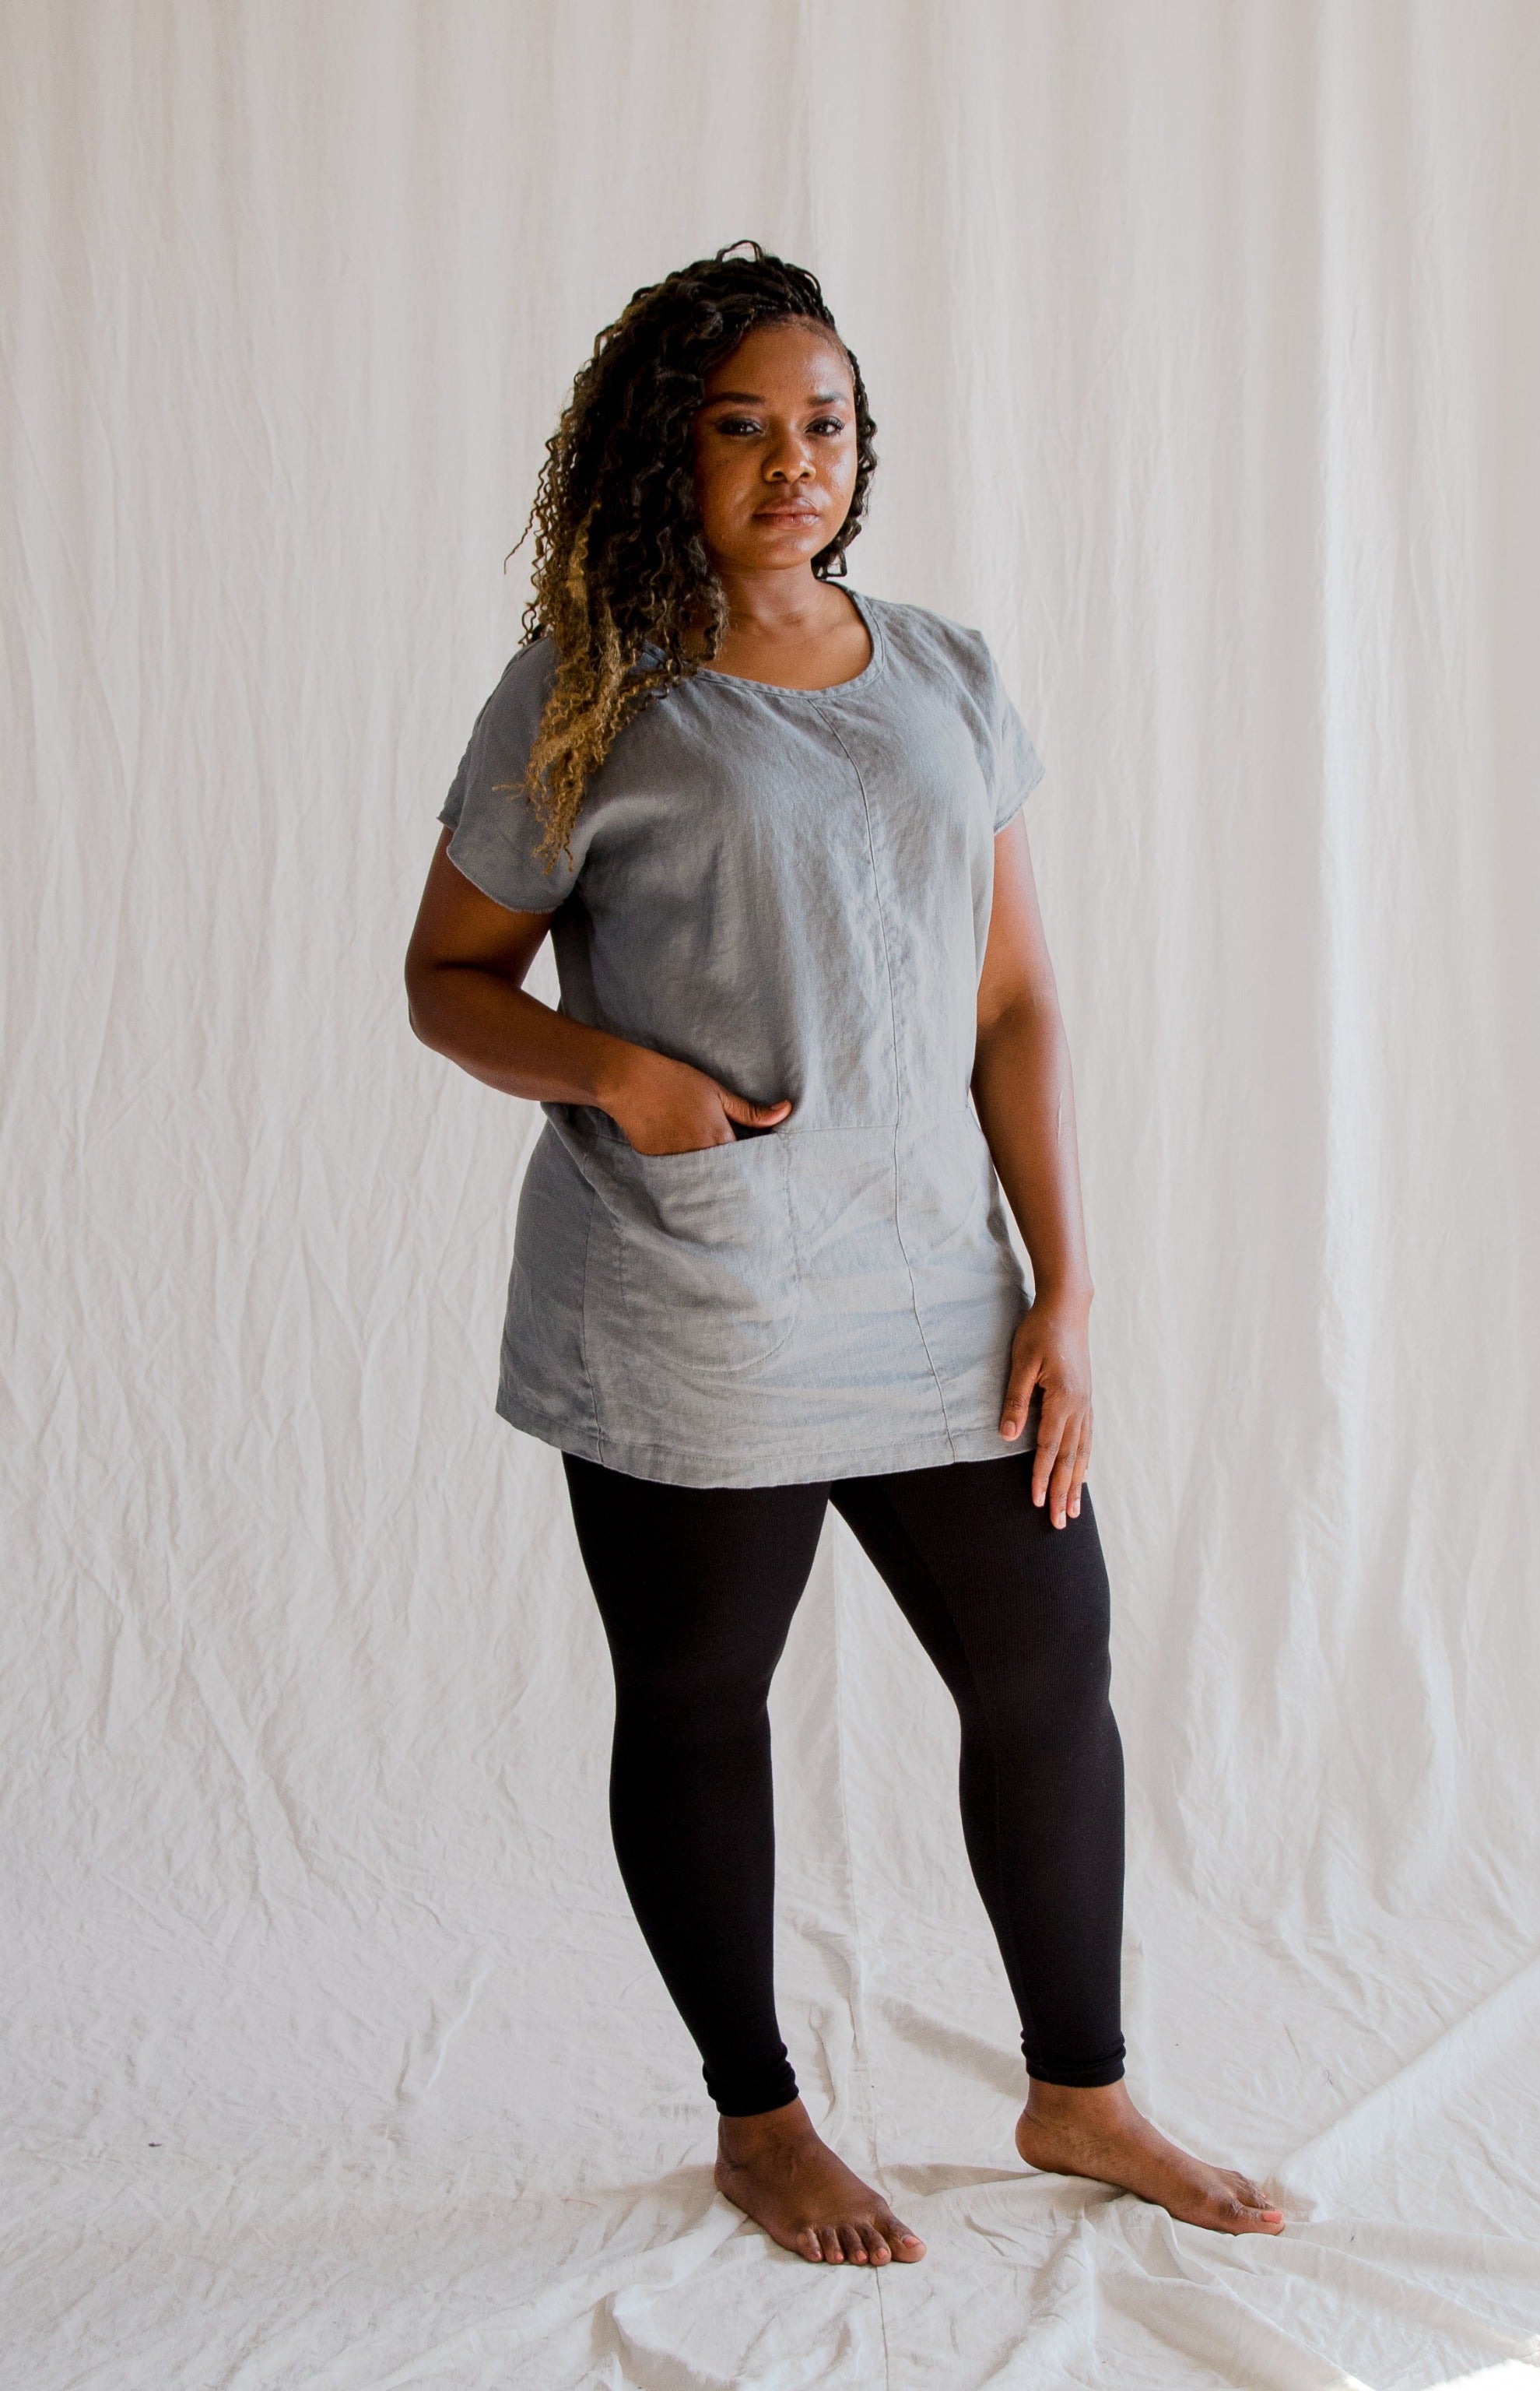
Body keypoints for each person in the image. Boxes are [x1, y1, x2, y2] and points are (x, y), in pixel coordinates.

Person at [405, 242, 1284, 2266]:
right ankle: (760, 2118)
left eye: (826, 424)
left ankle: (1082, 2093)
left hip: (935, 1289)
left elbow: (1013, 1002)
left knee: (1049, 1670)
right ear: (666, 452)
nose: (795, 462)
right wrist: (616, 1072)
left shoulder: (945, 670)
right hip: (692, 1294)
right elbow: (447, 979)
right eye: (743, 428)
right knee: (702, 1696)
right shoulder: (588, 684)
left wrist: (1065, 1284)